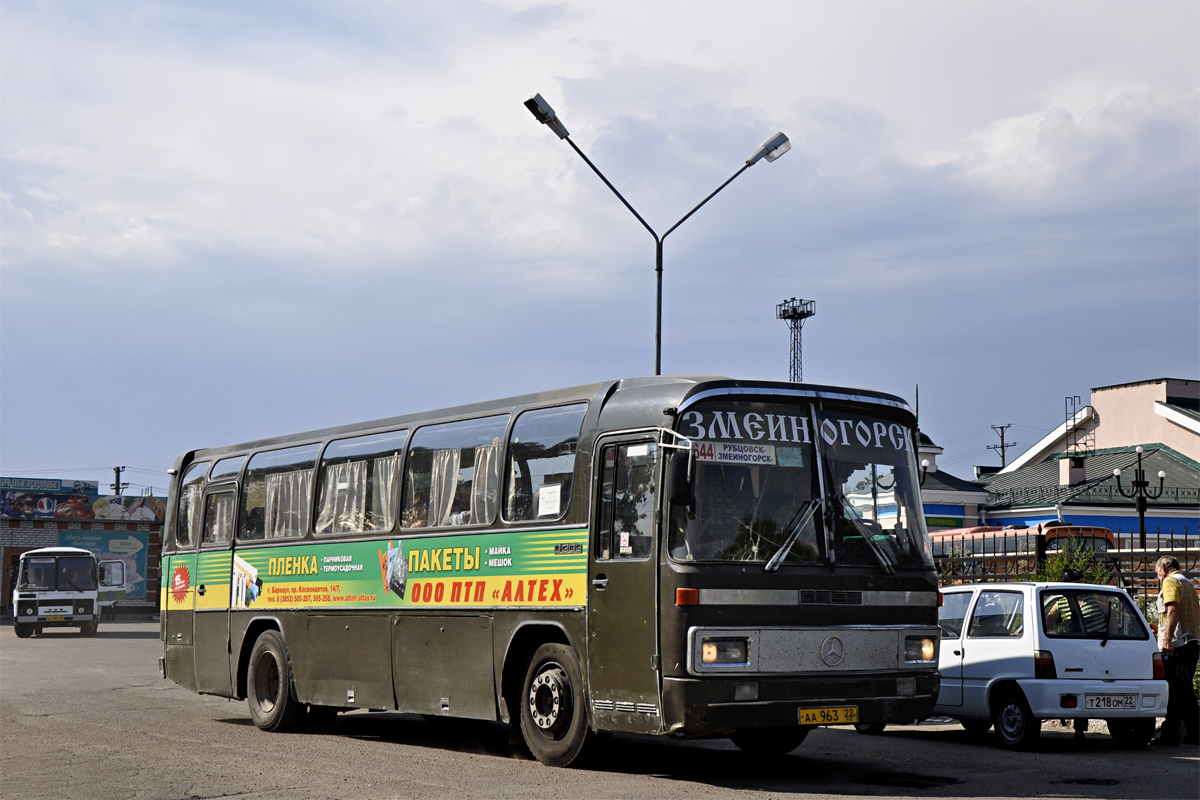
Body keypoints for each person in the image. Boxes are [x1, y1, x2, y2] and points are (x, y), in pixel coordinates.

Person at [1154, 555, 1200, 746]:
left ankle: (1179, 733)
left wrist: (1166, 639)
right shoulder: (1186, 582)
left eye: (1157, 572)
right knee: (1181, 689)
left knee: (1179, 690)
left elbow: (1173, 610)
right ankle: (1184, 733)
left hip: (1179, 644)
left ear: (1164, 568)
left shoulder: (1170, 581)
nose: (1157, 577)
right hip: (1189, 642)